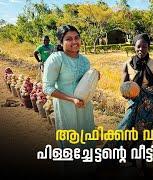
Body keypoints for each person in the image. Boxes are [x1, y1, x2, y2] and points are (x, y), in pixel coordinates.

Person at [43, 25, 98, 177]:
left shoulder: (85, 60)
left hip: (84, 106)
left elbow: (86, 83)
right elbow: (47, 88)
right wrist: (71, 99)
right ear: (60, 42)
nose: (74, 41)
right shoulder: (56, 59)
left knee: (86, 138)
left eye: (76, 38)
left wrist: (94, 78)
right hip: (66, 107)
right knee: (70, 141)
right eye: (68, 39)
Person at [116, 33, 153, 174]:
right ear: (134, 47)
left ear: (149, 47)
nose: (141, 49)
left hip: (150, 104)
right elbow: (123, 86)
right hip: (133, 102)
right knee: (127, 131)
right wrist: (126, 94)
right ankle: (130, 160)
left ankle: (142, 163)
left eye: (144, 46)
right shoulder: (127, 64)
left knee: (146, 134)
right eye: (138, 46)